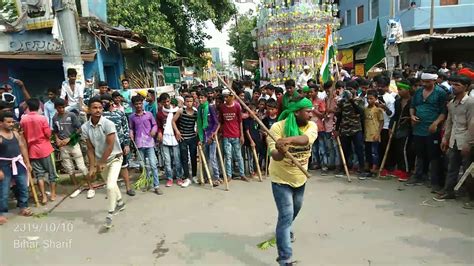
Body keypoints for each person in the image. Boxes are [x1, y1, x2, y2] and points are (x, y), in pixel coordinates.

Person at [267, 96, 317, 266]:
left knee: (294, 211)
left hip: (300, 178)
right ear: (296, 112)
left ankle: (284, 231)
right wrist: (281, 151)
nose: (311, 114)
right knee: (286, 215)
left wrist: (288, 140)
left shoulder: (312, 126)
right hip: (281, 179)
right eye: (308, 111)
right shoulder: (277, 128)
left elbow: (305, 139)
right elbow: (274, 155)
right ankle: (285, 258)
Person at [81, 96, 126, 229]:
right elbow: (89, 149)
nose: (98, 110)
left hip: (115, 158)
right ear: (89, 110)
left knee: (110, 186)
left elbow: (110, 146)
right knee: (110, 184)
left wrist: (101, 162)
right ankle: (120, 202)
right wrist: (92, 166)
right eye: (94, 107)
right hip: (101, 160)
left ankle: (110, 214)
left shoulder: (108, 123)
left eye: (100, 107)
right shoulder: (85, 127)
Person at [434, 75, 473, 201]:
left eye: (458, 85)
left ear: (466, 87)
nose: (454, 87)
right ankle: (449, 191)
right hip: (454, 140)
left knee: (469, 171)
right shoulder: (451, 103)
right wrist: (445, 139)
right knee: (452, 167)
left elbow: (472, 124)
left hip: (466, 141)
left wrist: (468, 143)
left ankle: (471, 196)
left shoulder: (470, 103)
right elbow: (450, 122)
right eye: (453, 84)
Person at [408, 70, 447, 190]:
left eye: (427, 82)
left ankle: (434, 181)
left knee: (433, 155)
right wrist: (412, 116)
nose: (424, 84)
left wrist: (436, 123)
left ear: (434, 81)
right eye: (423, 81)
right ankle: (418, 175)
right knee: (419, 152)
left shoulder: (440, 93)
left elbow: (443, 111)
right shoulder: (419, 91)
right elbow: (412, 106)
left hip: (432, 128)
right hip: (418, 128)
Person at [20, 98, 58, 205]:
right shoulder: (42, 118)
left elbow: (23, 135)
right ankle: (53, 194)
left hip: (32, 150)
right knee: (52, 173)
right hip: (45, 148)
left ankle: (44, 196)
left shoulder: (23, 119)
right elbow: (48, 134)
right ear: (38, 106)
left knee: (39, 175)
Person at [52, 99, 90, 199]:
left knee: (81, 166)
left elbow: (79, 129)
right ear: (55, 108)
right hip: (62, 146)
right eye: (59, 108)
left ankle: (90, 186)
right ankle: (76, 187)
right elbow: (55, 131)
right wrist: (57, 139)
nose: (61, 109)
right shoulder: (54, 117)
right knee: (69, 168)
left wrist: (70, 138)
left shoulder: (71, 115)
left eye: (62, 107)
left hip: (73, 144)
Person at [0, 111, 33, 224]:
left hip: (18, 162)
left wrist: (27, 162)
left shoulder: (15, 133)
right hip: (3, 165)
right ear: (1, 123)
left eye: (12, 121)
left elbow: (22, 147)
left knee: (23, 186)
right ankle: (1, 213)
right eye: (8, 122)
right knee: (4, 190)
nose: (11, 124)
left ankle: (23, 207)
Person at [101, 94, 135, 196]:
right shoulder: (100, 116)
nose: (103, 104)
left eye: (105, 102)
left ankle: (128, 188)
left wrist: (126, 144)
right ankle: (112, 190)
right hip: (106, 146)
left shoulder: (120, 114)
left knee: (124, 167)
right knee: (108, 168)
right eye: (102, 102)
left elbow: (125, 130)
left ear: (111, 102)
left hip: (119, 145)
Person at [129, 95, 163, 195]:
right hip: (139, 143)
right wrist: (130, 133)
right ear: (133, 105)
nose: (139, 106)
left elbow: (155, 125)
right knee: (143, 166)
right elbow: (131, 128)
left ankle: (156, 186)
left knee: (153, 165)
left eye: (140, 103)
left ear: (142, 104)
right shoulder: (131, 117)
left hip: (149, 143)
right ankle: (147, 183)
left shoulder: (148, 114)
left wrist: (154, 131)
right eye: (136, 104)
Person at [335, 88, 368, 177]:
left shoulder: (359, 101)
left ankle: (362, 168)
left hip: (356, 128)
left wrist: (351, 100)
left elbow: (360, 112)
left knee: (359, 149)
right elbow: (339, 116)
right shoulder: (342, 102)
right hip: (345, 129)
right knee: (345, 149)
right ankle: (344, 168)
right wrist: (337, 129)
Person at [219, 89, 248, 181]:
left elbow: (240, 122)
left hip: (236, 135)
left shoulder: (237, 106)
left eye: (227, 96)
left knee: (238, 156)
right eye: (224, 96)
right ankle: (229, 175)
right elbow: (221, 121)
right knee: (228, 156)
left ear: (231, 96)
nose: (225, 98)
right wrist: (217, 132)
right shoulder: (222, 107)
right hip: (226, 136)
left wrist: (242, 135)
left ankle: (242, 174)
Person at [156, 93, 183, 187]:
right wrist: (159, 133)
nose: (166, 103)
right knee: (167, 160)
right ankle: (170, 178)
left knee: (177, 159)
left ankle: (179, 177)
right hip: (165, 139)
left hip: (175, 138)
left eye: (168, 101)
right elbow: (158, 126)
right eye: (164, 102)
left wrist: (178, 133)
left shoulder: (177, 111)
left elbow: (179, 124)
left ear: (170, 100)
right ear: (161, 103)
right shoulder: (160, 113)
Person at [390, 80, 414, 181]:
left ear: (408, 89)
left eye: (401, 89)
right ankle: (400, 169)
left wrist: (409, 118)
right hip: (397, 127)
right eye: (398, 89)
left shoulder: (413, 101)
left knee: (404, 150)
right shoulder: (397, 101)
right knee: (397, 149)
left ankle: (407, 171)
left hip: (408, 128)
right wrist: (391, 127)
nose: (399, 91)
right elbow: (395, 115)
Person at [172, 94, 198, 188]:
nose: (189, 103)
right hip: (183, 138)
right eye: (187, 101)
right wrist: (177, 132)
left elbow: (198, 123)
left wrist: (197, 132)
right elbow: (173, 121)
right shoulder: (181, 110)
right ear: (184, 102)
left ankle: (194, 175)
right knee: (184, 158)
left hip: (192, 137)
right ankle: (187, 178)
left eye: (191, 101)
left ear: (193, 102)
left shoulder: (195, 112)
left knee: (193, 157)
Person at [196, 91, 221, 184]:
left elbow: (216, 123)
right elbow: (199, 125)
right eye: (199, 97)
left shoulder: (210, 107)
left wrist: (212, 135)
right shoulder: (199, 109)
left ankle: (217, 177)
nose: (200, 99)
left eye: (202, 97)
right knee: (204, 158)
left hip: (211, 136)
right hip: (203, 137)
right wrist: (201, 139)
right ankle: (205, 177)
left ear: (206, 98)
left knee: (212, 158)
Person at [374, 75, 396, 176]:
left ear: (387, 86)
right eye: (378, 86)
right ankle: (378, 166)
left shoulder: (390, 99)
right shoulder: (373, 96)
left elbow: (391, 114)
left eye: (382, 86)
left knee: (385, 147)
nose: (379, 88)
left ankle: (388, 167)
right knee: (377, 148)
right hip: (374, 126)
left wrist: (384, 107)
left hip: (386, 126)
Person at [363, 91, 384, 177]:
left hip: (374, 134)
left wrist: (378, 133)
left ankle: (374, 168)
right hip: (367, 134)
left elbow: (381, 122)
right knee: (367, 151)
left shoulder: (378, 110)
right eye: (368, 98)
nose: (369, 100)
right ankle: (368, 167)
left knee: (374, 152)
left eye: (371, 98)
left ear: (375, 99)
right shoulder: (365, 109)